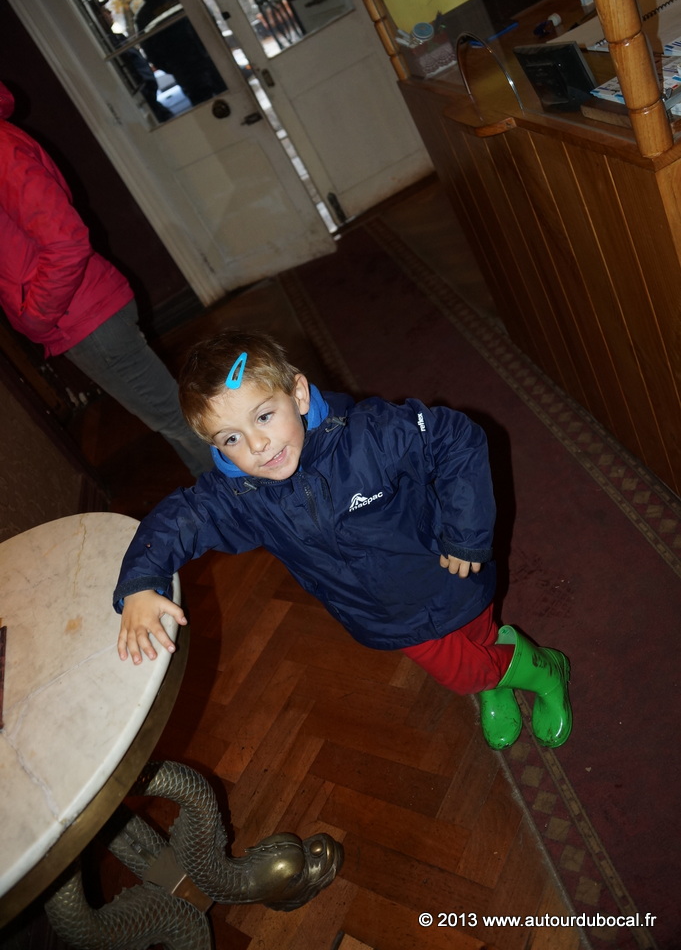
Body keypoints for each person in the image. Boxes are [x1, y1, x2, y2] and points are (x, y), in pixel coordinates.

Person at [114, 329, 572, 751]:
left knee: (477, 634)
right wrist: (140, 581)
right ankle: (517, 675)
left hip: (449, 570)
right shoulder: (240, 495)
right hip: (385, 614)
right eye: (231, 438)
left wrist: (465, 533)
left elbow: (455, 438)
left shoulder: (369, 435)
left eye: (265, 416)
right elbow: (180, 519)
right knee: (461, 673)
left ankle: (524, 672)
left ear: (298, 393)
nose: (257, 445)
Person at [0, 80, 213, 479]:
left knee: (177, 419)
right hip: (85, 314)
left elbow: (66, 241)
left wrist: (36, 318)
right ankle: (239, 501)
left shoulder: (0, 149)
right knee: (172, 417)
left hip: (81, 318)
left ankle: (264, 499)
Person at [135, 0, 226, 108]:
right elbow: (209, 20)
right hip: (210, 60)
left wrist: (175, 68)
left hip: (187, 73)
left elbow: (151, 53)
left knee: (209, 111)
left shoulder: (144, 16)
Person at [93, 0, 173, 123]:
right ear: (98, 17)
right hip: (143, 98)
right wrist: (146, 89)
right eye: (104, 11)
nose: (109, 13)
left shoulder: (116, 38)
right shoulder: (109, 44)